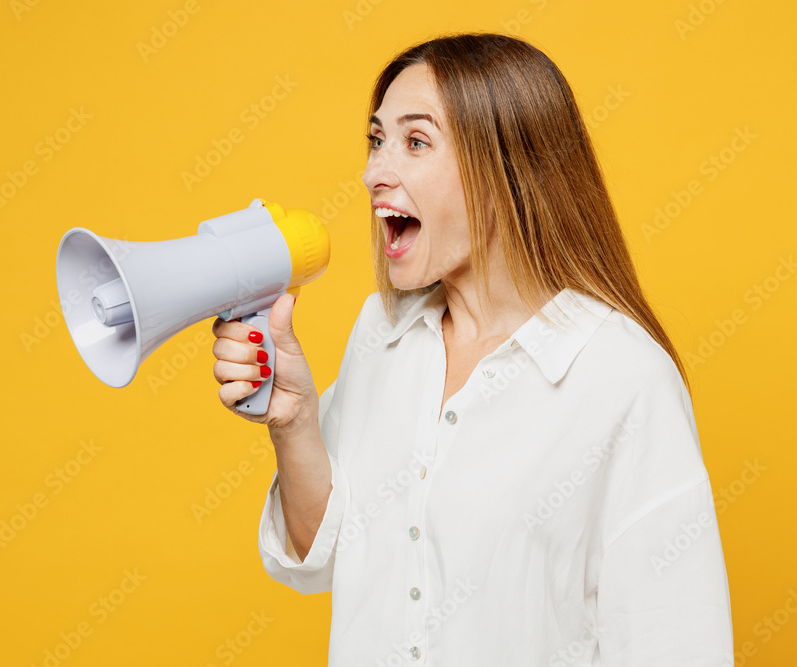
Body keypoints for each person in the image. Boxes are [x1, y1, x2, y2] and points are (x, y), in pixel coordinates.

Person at [211, 32, 734, 665]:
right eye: (378, 141)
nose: (375, 173)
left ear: (507, 170)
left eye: (416, 141)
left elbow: (675, 641)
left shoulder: (622, 377)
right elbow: (325, 556)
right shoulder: (382, 332)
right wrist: (293, 422)